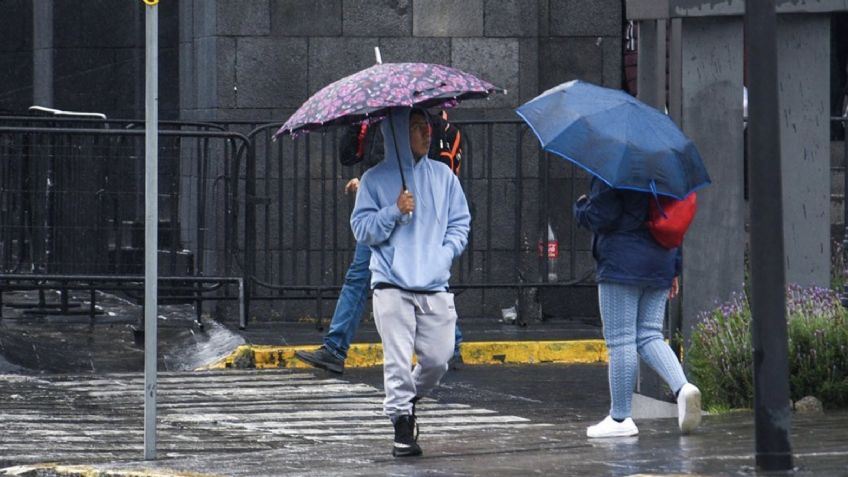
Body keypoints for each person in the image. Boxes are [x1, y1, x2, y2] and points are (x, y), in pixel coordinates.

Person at [295, 111, 465, 374]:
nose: (424, 132)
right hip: (388, 212)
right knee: (367, 277)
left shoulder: (421, 120)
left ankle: (336, 348)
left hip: (411, 215)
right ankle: (336, 347)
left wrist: (445, 250)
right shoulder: (382, 120)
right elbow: (350, 155)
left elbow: (427, 169)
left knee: (420, 280)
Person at [351, 107, 470, 457]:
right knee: (398, 360)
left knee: (438, 359)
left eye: (426, 126)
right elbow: (362, 229)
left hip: (433, 282)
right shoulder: (374, 179)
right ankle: (401, 424)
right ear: (398, 133)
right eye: (416, 128)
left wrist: (445, 254)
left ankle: (406, 402)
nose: (426, 134)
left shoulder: (444, 177)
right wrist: (394, 211)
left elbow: (460, 222)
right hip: (390, 283)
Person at [574, 178, 702, 438]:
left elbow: (602, 216)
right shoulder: (666, 171)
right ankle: (683, 388)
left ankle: (620, 418)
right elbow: (675, 220)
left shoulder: (615, 170)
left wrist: (580, 207)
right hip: (661, 260)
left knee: (621, 339)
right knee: (650, 335)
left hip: (622, 262)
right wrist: (674, 269)